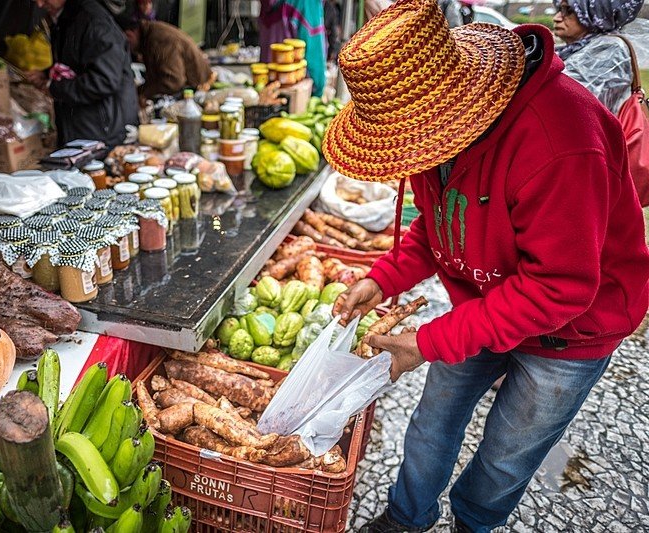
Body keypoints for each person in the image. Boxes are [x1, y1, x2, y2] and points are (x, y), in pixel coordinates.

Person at [322, 0, 649, 531]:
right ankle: (407, 517)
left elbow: (557, 289)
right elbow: (438, 224)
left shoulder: (561, 140)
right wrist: (381, 280)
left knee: (504, 458)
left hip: (574, 334)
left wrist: (427, 342)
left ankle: (473, 524)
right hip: (483, 304)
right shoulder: (436, 141)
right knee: (432, 422)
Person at [26, 0, 138, 148]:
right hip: (85, 128)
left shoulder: (93, 21)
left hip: (101, 133)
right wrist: (47, 73)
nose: (39, 4)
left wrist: (53, 88)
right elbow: (74, 63)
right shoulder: (68, 19)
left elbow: (104, 80)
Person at [553, 0, 643, 115]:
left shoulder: (609, 50)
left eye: (569, 10)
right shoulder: (576, 49)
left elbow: (560, 99)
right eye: (559, 10)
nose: (557, 17)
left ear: (598, 13)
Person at [115, 16, 212, 100]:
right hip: (193, 86)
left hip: (197, 89)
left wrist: (142, 92)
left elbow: (173, 81)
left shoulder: (157, 39)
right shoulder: (149, 35)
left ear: (129, 34)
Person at [258, 0, 328, 96]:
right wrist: (318, 92)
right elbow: (315, 54)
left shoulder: (267, 5)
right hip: (296, 91)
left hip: (267, 87)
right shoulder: (307, 3)